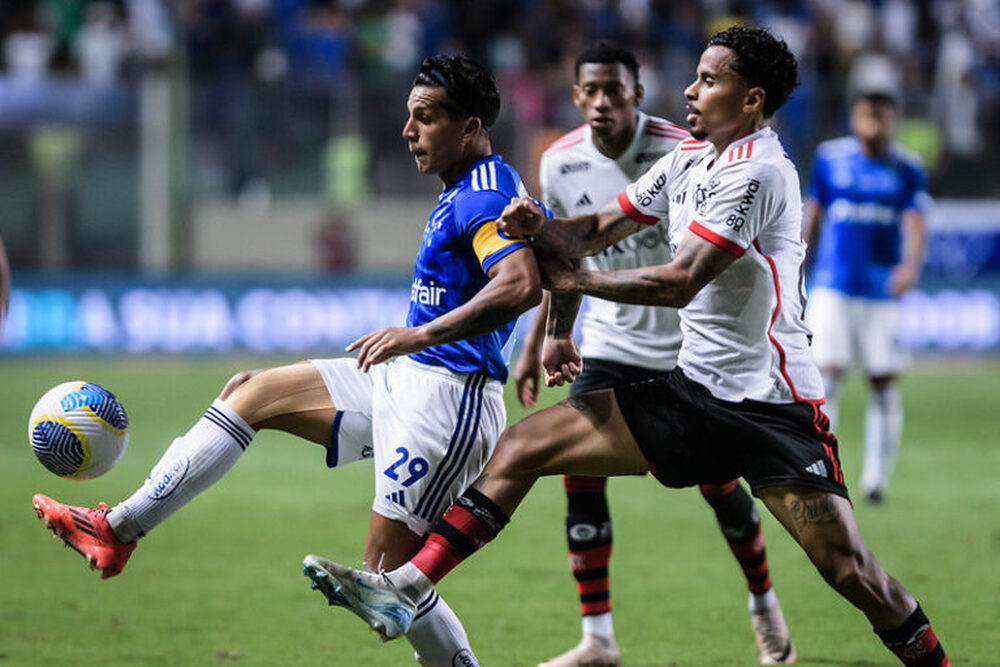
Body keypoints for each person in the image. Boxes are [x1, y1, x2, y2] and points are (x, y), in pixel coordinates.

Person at [304, 27, 950, 667]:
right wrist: (544, 228)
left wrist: (573, 276)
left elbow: (680, 280)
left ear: (751, 100)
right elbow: (595, 228)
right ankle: (407, 589)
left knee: (852, 573)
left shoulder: (760, 172)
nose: (692, 89)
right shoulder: (688, 160)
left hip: (772, 408)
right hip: (693, 392)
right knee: (525, 445)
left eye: (710, 79)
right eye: (695, 75)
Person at [32, 55, 542, 667]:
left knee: (389, 579)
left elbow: (517, 285)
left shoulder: (484, 193)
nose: (408, 131)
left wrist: (416, 336)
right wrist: (553, 336)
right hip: (403, 380)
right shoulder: (472, 189)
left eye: (425, 118)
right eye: (409, 115)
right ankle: (116, 530)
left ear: (470, 128)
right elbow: (555, 259)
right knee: (251, 392)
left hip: (448, 400)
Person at [514, 41, 793, 666]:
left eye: (616, 89)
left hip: (686, 344)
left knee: (720, 484)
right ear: (576, 95)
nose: (602, 102)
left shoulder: (684, 148)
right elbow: (565, 252)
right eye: (590, 90)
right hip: (610, 338)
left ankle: (762, 599)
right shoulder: (559, 162)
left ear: (638, 93)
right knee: (575, 471)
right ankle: (597, 639)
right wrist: (550, 337)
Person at [802, 90, 929, 504]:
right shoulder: (831, 158)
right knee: (828, 378)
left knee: (883, 382)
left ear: (892, 119)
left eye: (880, 114)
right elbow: (814, 212)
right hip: (833, 286)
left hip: (881, 292)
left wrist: (910, 266)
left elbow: (914, 219)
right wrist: (798, 260)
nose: (872, 122)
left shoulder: (908, 167)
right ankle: (827, 472)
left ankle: (876, 481)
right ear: (853, 117)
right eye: (864, 113)